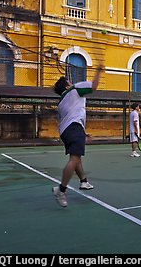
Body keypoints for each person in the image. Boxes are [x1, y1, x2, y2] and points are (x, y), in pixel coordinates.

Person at [51, 64, 104, 207]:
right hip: (74, 128)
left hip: (67, 131)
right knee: (74, 159)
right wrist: (99, 72)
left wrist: (83, 132)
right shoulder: (75, 89)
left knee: (76, 158)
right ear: (67, 86)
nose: (71, 82)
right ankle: (61, 190)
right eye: (69, 81)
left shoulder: (61, 102)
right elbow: (93, 86)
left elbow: (71, 116)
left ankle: (84, 181)